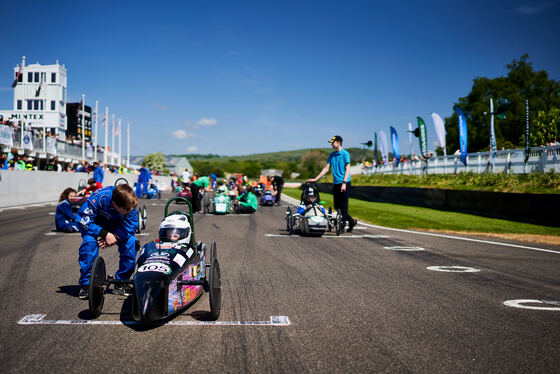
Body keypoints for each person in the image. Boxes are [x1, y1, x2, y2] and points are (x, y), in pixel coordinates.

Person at [75, 184, 139, 299]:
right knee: (89, 245)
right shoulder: (98, 198)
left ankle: (121, 283)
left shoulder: (130, 204)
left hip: (117, 227)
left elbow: (131, 226)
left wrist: (115, 236)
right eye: (127, 210)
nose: (130, 211)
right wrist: (104, 234)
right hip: (95, 225)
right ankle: (87, 284)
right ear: (115, 204)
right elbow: (83, 220)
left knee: (131, 242)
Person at [307, 135, 358, 232]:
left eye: (333, 142)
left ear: (338, 142)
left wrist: (344, 182)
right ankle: (351, 221)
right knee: (336, 205)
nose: (331, 144)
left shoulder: (345, 154)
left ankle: (342, 226)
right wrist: (315, 179)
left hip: (345, 182)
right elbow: (326, 168)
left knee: (344, 205)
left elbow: (347, 169)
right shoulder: (332, 155)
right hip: (336, 183)